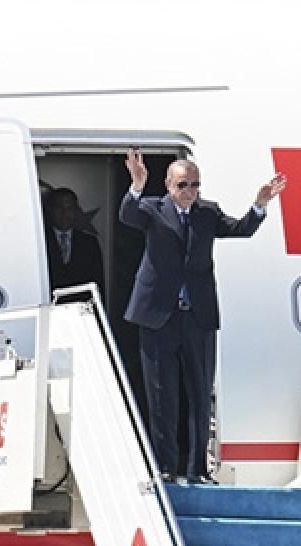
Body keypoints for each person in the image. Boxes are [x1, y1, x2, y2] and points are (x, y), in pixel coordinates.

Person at [119, 150, 286, 483]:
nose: (190, 191)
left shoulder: (207, 213)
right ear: (169, 185)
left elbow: (240, 229)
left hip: (197, 316)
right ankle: (165, 467)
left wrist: (260, 204)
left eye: (195, 185)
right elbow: (127, 215)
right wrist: (137, 185)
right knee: (162, 394)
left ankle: (198, 469)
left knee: (199, 394)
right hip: (158, 316)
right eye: (183, 185)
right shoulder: (152, 209)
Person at [43, 187, 105, 296]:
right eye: (59, 207)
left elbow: (98, 283)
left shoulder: (89, 243)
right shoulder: (41, 242)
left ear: (76, 210)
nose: (64, 213)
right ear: (50, 209)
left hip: (81, 305)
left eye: (69, 208)